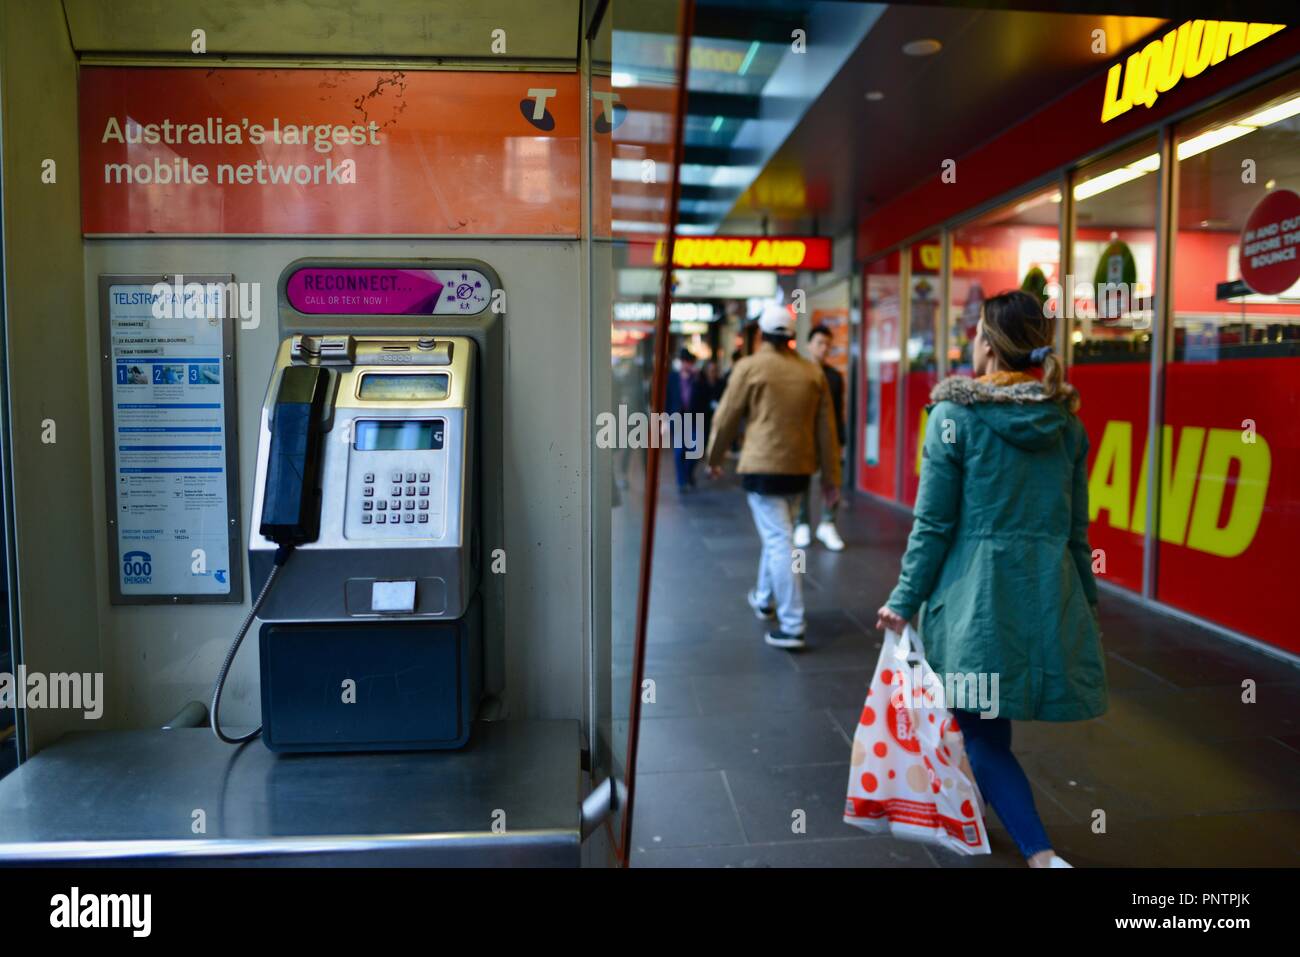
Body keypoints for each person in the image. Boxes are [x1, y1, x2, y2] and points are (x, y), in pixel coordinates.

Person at [875, 289, 1106, 868]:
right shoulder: (1067, 426)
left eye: (977, 330)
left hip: (975, 603)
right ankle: (979, 809)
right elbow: (1077, 533)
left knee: (979, 731)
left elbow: (932, 525)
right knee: (985, 725)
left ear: (988, 344)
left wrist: (903, 600)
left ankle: (1042, 854)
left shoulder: (953, 418)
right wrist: (1086, 606)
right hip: (1045, 595)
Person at [706, 303, 841, 649]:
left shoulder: (750, 367)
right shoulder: (813, 372)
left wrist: (714, 457)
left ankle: (793, 623)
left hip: (762, 469)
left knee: (780, 540)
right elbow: (827, 430)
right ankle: (764, 597)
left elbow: (726, 416)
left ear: (762, 334)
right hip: (799, 471)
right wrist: (831, 478)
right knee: (779, 533)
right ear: (792, 336)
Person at [795, 324, 847, 552]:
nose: (824, 348)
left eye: (828, 344)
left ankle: (828, 523)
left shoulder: (835, 377)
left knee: (832, 479)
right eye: (820, 343)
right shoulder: (800, 372)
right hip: (804, 435)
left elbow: (838, 410)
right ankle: (801, 522)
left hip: (830, 436)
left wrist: (841, 439)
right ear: (809, 345)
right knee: (802, 480)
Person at [666, 348, 710, 492]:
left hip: (695, 418)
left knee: (696, 449)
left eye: (689, 362)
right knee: (680, 451)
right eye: (685, 361)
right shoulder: (672, 377)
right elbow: (667, 398)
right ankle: (682, 481)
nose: (687, 364)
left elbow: (706, 396)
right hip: (678, 418)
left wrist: (698, 378)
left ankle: (688, 474)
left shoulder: (699, 378)